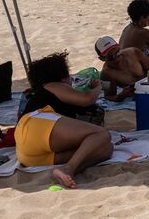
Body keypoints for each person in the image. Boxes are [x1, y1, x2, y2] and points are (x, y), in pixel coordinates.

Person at [16, 52, 112, 188]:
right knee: (101, 134)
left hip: (28, 154)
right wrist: (98, 87)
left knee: (105, 149)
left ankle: (68, 171)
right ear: (62, 76)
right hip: (35, 124)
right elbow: (87, 99)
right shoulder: (53, 85)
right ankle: (69, 168)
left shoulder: (41, 93)